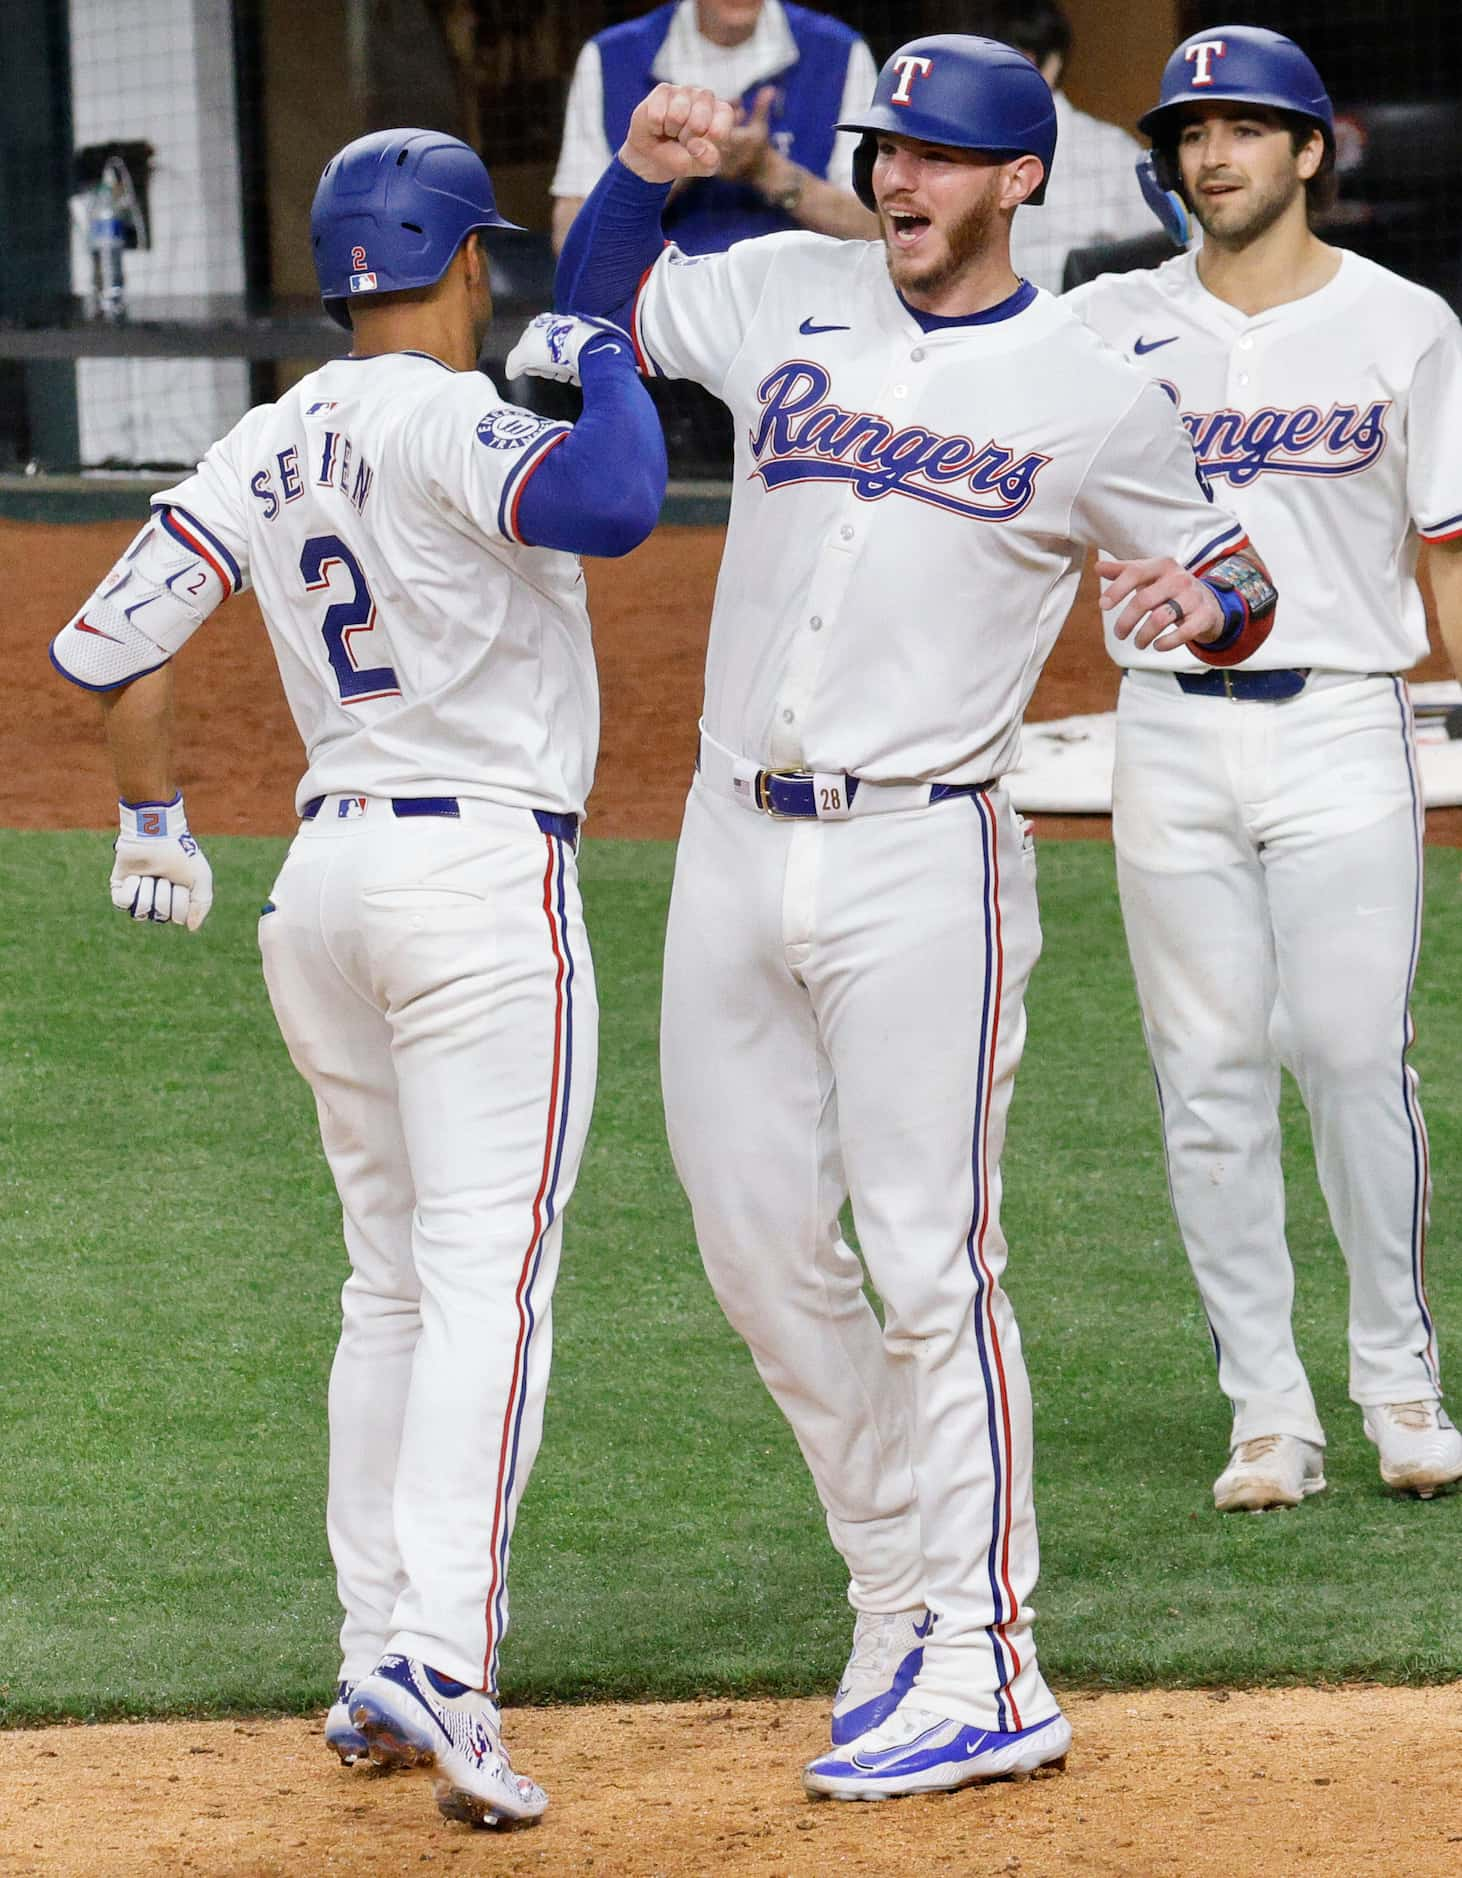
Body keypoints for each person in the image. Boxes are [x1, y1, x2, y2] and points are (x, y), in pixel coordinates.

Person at [557, 36, 1278, 1799]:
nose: (897, 180)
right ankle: (904, 1590)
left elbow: (1238, 571)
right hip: (728, 835)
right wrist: (643, 177)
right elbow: (591, 319)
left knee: (926, 1259)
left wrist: (1205, 602)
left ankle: (988, 1655)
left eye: (938, 158)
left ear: (1019, 179)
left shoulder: (1086, 383)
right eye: (885, 150)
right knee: (750, 1250)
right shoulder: (785, 288)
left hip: (923, 863)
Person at [49, 129, 666, 1828]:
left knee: (387, 1283)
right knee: (487, 1278)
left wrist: (157, 811)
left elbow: (106, 644)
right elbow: (612, 500)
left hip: (322, 887)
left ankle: (371, 1648)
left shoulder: (267, 432)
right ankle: (445, 1664)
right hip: (472, 885)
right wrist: (603, 355)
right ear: (464, 261)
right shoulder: (448, 413)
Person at [1064, 26, 1462, 1513]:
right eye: (1188, 131)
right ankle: (1264, 1409)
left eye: (1242, 128)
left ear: (1310, 152)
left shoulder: (1403, 323)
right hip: (1164, 724)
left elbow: (1446, 544)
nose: (1209, 154)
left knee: (1354, 1051)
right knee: (1207, 1072)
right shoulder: (1101, 321)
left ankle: (1397, 1380)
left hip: (1345, 721)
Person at [549, 0, 879, 254]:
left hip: (802, 308)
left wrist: (769, 171)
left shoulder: (841, 54)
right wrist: (670, 169)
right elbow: (569, 241)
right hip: (658, 309)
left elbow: (877, 229)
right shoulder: (609, 59)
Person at [962, 0, 1154, 293]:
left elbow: (1161, 248)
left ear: (1053, 63)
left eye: (1021, 59)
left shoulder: (1108, 150)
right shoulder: (964, 148)